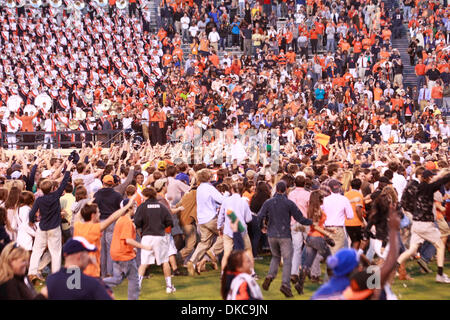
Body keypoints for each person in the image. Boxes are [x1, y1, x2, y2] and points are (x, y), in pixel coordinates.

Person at [257, 181, 312, 297]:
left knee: (275, 257)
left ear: (276, 189)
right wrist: (312, 222)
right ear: (286, 189)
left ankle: (270, 276)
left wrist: (262, 227)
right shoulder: (289, 203)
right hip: (284, 235)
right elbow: (300, 219)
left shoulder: (269, 202)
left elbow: (260, 216)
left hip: (271, 235)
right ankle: (285, 285)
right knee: (287, 260)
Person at [396, 169, 450, 283]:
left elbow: (436, 181)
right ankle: (440, 275)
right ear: (429, 178)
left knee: (412, 250)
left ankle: (393, 269)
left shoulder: (417, 187)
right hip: (425, 224)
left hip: (416, 223)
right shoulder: (428, 188)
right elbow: (442, 181)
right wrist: (444, 175)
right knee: (440, 246)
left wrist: (439, 175)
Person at [28, 161, 73, 282]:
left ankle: (32, 272)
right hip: (54, 228)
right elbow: (64, 183)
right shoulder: (55, 195)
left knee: (37, 251)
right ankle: (56, 275)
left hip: (43, 228)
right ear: (52, 188)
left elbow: (32, 213)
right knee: (55, 252)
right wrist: (68, 168)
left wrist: (31, 221)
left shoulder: (40, 199)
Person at [73, 196, 136, 279]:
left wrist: (88, 204)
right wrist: (127, 206)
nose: (100, 215)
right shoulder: (94, 229)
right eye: (98, 213)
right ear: (93, 216)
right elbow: (112, 218)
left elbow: (78, 215)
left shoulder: (77, 226)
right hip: (89, 272)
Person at [103, 193, 150, 300]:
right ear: (129, 209)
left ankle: (97, 283)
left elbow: (123, 239)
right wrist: (143, 247)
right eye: (134, 206)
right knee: (134, 279)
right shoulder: (127, 222)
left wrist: (132, 248)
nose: (135, 208)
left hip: (117, 253)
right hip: (124, 255)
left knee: (117, 279)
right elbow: (128, 240)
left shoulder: (121, 219)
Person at [134, 187, 175, 294]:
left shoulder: (142, 207)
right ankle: (169, 287)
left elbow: (137, 223)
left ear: (146, 196)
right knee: (165, 262)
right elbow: (170, 221)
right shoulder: (161, 207)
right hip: (159, 236)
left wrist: (142, 231)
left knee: (144, 263)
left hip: (147, 237)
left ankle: (137, 287)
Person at [45, 237, 113, 300]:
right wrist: (95, 269)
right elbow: (110, 296)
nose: (89, 257)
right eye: (87, 253)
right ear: (79, 256)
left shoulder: (51, 280)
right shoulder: (91, 284)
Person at [294, 190, 334, 295]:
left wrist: (329, 230)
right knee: (331, 260)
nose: (323, 199)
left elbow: (317, 225)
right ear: (319, 199)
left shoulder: (313, 209)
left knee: (307, 264)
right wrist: (327, 234)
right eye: (322, 198)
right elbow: (315, 225)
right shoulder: (316, 210)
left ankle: (300, 285)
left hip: (310, 238)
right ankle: (332, 284)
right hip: (317, 238)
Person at [186, 169, 224, 276]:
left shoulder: (200, 188)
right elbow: (221, 200)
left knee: (204, 242)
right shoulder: (209, 188)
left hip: (201, 219)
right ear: (208, 177)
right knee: (226, 235)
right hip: (211, 218)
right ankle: (212, 253)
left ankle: (192, 261)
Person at [221, 217, 263, 300]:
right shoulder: (244, 281)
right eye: (247, 261)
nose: (251, 262)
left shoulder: (232, 278)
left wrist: (236, 231)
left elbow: (240, 249)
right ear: (239, 267)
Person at [217, 182, 253, 274]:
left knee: (227, 253)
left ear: (232, 189)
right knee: (248, 251)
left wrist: (219, 227)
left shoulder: (226, 201)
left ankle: (223, 273)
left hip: (228, 229)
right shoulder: (243, 202)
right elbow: (249, 218)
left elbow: (221, 215)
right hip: (241, 230)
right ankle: (251, 272)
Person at [93, 174, 123, 278]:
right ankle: (110, 272)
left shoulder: (97, 194)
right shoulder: (117, 195)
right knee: (111, 248)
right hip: (112, 222)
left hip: (100, 222)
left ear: (103, 183)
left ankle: (103, 272)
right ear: (113, 183)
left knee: (102, 249)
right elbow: (122, 209)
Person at [322, 179, 354, 254]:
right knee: (336, 252)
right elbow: (350, 215)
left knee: (330, 252)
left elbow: (319, 213)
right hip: (338, 228)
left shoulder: (325, 200)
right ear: (339, 188)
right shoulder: (344, 199)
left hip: (327, 228)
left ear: (330, 189)